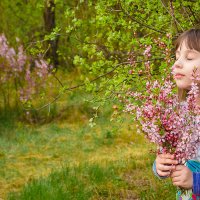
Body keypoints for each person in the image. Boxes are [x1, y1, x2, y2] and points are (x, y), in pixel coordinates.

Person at [152, 28, 200, 200]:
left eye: (189, 58)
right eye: (177, 57)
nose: (177, 64)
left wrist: (196, 181)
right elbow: (170, 155)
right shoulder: (177, 112)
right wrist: (160, 166)